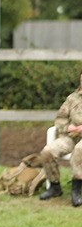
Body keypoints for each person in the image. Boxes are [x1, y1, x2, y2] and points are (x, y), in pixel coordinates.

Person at [24, 70, 82, 206]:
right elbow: (60, 119)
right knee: (48, 151)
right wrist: (68, 128)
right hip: (70, 137)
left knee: (80, 150)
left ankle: (77, 189)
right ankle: (55, 186)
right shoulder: (72, 99)